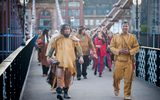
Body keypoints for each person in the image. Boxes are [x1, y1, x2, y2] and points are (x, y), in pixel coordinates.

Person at [46, 24, 84, 100]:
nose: (67, 30)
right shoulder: (57, 39)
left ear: (70, 30)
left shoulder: (74, 39)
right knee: (59, 76)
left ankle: (66, 92)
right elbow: (52, 48)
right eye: (65, 29)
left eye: (68, 29)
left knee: (68, 78)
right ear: (62, 30)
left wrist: (81, 57)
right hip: (59, 61)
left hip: (70, 62)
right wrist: (49, 57)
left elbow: (79, 49)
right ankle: (59, 91)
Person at [110, 20, 139, 100]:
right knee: (116, 77)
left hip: (129, 61)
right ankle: (116, 88)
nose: (125, 27)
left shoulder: (133, 37)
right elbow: (111, 47)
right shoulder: (116, 37)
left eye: (126, 26)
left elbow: (137, 47)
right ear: (121, 27)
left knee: (128, 79)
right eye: (123, 26)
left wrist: (130, 52)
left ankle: (127, 95)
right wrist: (119, 51)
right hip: (119, 60)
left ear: (128, 27)